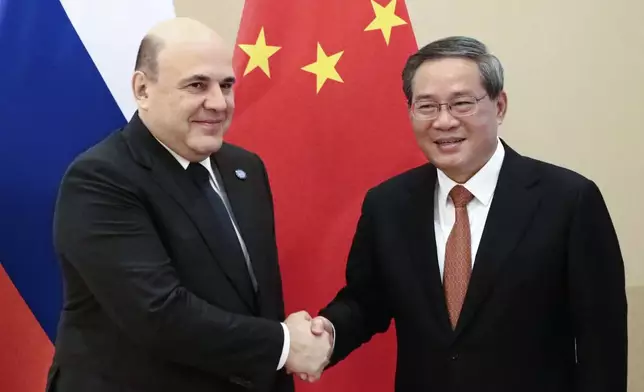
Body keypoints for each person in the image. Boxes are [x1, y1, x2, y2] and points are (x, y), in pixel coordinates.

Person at [307, 36, 628, 391]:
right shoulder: (388, 204)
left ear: (499, 105)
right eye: (427, 106)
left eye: (462, 103)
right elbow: (366, 301)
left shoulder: (569, 200)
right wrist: (327, 333)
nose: (444, 122)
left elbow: (603, 343)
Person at [45, 17, 330, 392]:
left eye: (226, 86)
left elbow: (258, 299)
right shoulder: (100, 179)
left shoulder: (245, 168)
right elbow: (158, 314)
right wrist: (286, 345)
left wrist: (286, 353)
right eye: (197, 85)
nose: (218, 102)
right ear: (142, 89)